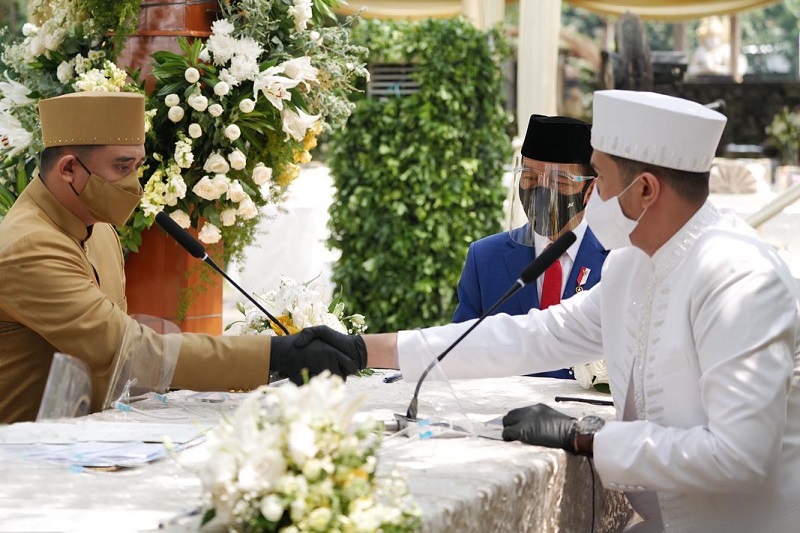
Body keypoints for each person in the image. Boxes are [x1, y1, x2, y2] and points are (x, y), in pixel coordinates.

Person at [322, 90, 800, 531]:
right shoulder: (632, 265)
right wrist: (360, 350)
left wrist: (585, 435)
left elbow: (740, 457)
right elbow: (533, 335)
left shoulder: (739, 277)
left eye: (601, 179)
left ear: (646, 190)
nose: (589, 197)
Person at [0, 92, 365, 424]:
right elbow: (129, 351)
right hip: (23, 459)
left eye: (138, 167)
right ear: (68, 170)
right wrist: (277, 356)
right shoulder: (27, 246)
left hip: (87, 440)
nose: (134, 185)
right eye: (122, 167)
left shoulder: (98, 230)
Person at [453, 114, 607, 379]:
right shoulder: (485, 258)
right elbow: (459, 354)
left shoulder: (619, 261)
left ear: (590, 190)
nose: (542, 193)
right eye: (531, 180)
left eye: (559, 182)